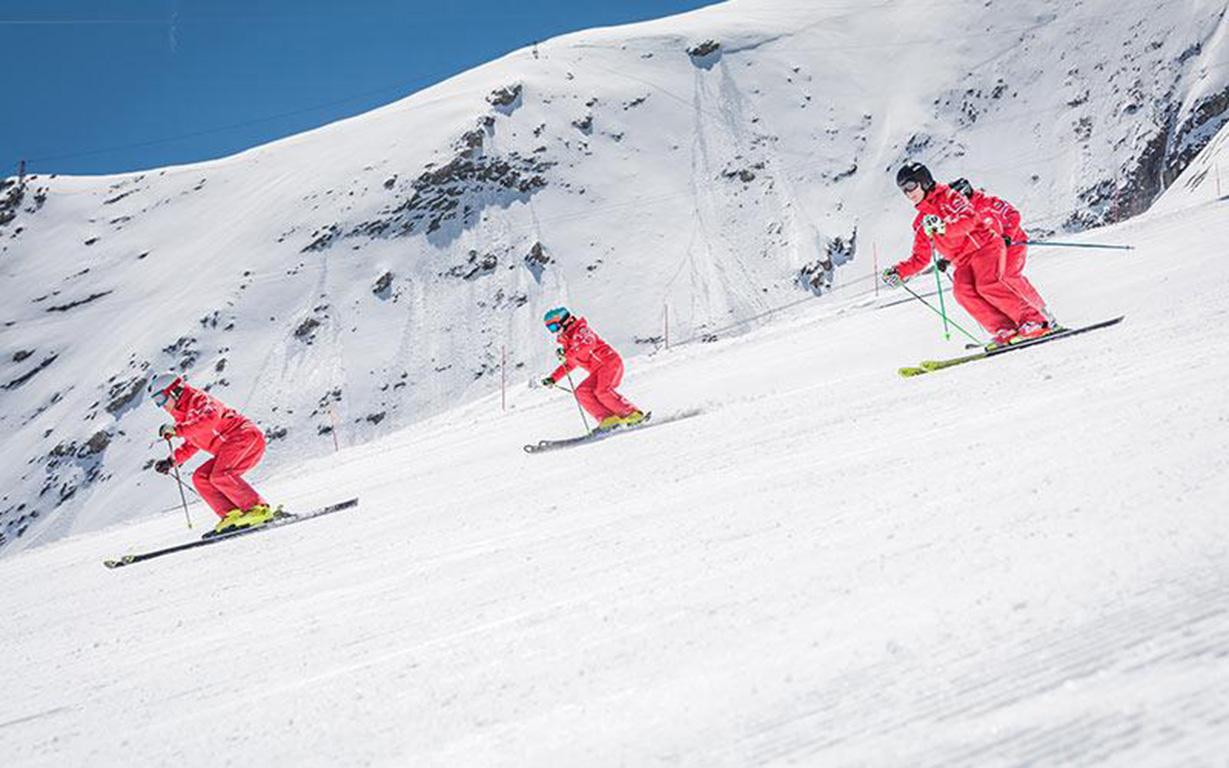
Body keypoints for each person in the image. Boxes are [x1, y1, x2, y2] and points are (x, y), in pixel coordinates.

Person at [882, 162, 1052, 346]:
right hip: (962, 261)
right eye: (904, 190)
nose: (908, 193)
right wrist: (899, 272)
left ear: (924, 181)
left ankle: (1035, 321)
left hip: (984, 247)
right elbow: (920, 258)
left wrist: (944, 228)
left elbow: (970, 220)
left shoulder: (950, 197)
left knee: (988, 284)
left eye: (910, 186)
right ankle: (1004, 328)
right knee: (962, 292)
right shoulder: (921, 222)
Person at [146, 372, 276, 537]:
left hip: (244, 437)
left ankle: (258, 509)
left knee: (220, 475)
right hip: (229, 448)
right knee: (201, 477)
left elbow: (210, 419)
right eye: (156, 402)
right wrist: (171, 461)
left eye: (161, 399)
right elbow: (192, 442)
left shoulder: (200, 400)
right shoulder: (183, 417)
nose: (161, 405)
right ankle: (232, 514)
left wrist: (178, 430)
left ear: (174, 391)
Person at [948, 177, 1055, 326]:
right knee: (987, 285)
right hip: (993, 252)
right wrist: (949, 258)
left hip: (1012, 245)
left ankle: (1043, 314)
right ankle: (1015, 323)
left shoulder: (988, 203)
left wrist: (1007, 235)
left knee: (1008, 276)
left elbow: (1013, 214)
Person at [540, 307, 646, 431]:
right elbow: (570, 363)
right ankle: (609, 420)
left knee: (602, 391)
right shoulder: (567, 342)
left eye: (554, 327)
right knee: (582, 392)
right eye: (550, 329)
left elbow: (588, 344)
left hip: (609, 363)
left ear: (565, 320)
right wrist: (553, 378)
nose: (554, 331)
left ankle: (632, 414)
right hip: (597, 371)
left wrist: (567, 353)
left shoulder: (581, 330)